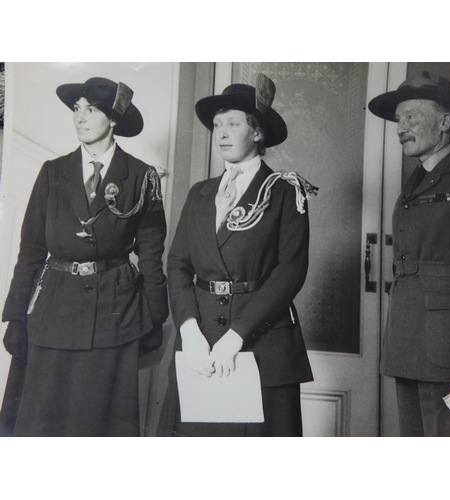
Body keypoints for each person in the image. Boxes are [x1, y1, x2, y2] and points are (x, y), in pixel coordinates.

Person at [0, 77, 168, 436]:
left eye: (91, 109)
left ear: (114, 120)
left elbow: (152, 254)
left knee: (99, 428)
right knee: (42, 426)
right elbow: (30, 249)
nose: (80, 117)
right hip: (53, 313)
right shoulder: (53, 172)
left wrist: (155, 316)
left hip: (114, 316)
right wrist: (15, 315)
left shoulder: (141, 176)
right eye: (77, 109)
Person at [157, 74, 316, 437]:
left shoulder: (284, 192)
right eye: (217, 125)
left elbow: (290, 272)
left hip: (259, 344)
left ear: (257, 133)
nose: (222, 133)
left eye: (233, 123)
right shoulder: (200, 193)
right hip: (199, 344)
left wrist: (236, 337)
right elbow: (178, 265)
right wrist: (189, 331)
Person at [368, 71, 450, 436]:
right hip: (410, 345)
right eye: (398, 119)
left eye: (411, 116)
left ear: (444, 122)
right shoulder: (415, 185)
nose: (400, 128)